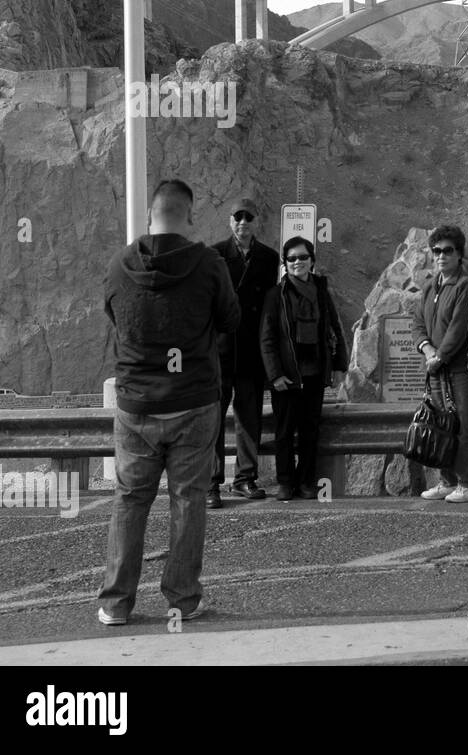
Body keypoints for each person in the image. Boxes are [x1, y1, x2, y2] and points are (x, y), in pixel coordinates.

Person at [98, 179, 240, 625]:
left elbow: (114, 318)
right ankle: (182, 601)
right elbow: (231, 319)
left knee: (130, 500)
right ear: (190, 215)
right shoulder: (209, 264)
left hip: (136, 404)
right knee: (188, 500)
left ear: (149, 216)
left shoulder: (119, 266)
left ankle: (116, 604)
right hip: (194, 402)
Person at [260, 236, 349, 501]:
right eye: (292, 258)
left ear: (312, 260)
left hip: (314, 373)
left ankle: (307, 481)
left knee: (310, 431)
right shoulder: (276, 295)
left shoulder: (321, 291)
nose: (298, 262)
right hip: (287, 375)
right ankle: (286, 483)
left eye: (303, 257)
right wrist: (274, 374)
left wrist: (338, 365)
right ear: (285, 263)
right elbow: (267, 337)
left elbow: (334, 327)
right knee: (285, 432)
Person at [208, 197, 279, 507]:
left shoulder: (269, 258)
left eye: (248, 217)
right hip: (220, 351)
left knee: (249, 419)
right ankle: (210, 482)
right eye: (238, 217)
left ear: (256, 221)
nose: (243, 222)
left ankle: (244, 479)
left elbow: (269, 310)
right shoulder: (214, 255)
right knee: (212, 419)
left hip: (251, 351)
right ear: (230, 221)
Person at [410, 225, 468, 502]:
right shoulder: (430, 287)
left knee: (462, 425)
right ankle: (446, 480)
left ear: (459, 253)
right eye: (436, 251)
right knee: (442, 426)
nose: (441, 256)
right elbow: (417, 324)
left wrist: (440, 357)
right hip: (435, 369)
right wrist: (428, 351)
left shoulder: (466, 284)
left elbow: (459, 328)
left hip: (460, 370)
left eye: (447, 251)